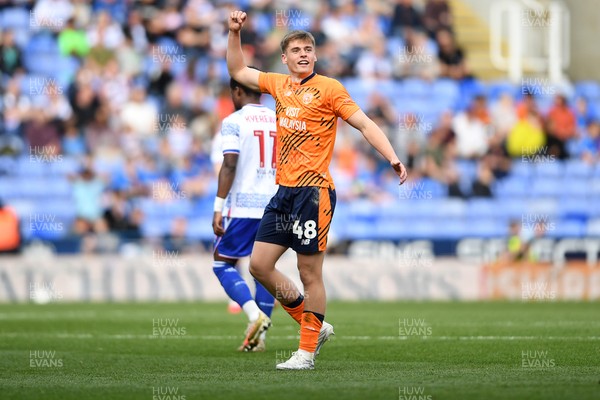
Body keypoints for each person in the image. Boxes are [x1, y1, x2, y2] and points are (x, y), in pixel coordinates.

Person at [226, 11, 408, 370]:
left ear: (315, 54)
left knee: (309, 274)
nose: (304, 54)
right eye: (296, 50)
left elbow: (364, 124)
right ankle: (316, 326)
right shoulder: (279, 84)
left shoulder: (330, 89)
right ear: (285, 57)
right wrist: (234, 32)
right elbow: (238, 71)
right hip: (283, 192)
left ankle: (306, 353)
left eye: (308, 49)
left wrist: (391, 157)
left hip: (314, 193)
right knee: (260, 265)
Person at [212, 73, 278, 352]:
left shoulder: (234, 121)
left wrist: (218, 206)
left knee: (222, 264)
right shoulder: (280, 119)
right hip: (276, 206)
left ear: (237, 92)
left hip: (243, 207)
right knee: (264, 270)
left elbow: (229, 165)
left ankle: (254, 316)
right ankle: (259, 340)